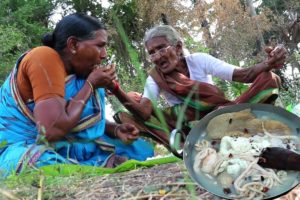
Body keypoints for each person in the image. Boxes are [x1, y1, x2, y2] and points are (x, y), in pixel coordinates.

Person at [0, 13, 154, 178]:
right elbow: (50, 131)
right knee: (40, 163)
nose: (104, 54)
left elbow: (74, 118)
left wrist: (114, 130)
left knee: (141, 150)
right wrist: (90, 84)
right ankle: (102, 165)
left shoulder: (80, 72)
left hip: (63, 144)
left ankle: (92, 165)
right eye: (99, 46)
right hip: (23, 145)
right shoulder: (43, 57)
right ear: (73, 45)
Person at [112, 25, 287, 152]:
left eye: (161, 49)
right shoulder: (155, 78)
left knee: (269, 79)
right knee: (137, 110)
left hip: (223, 113)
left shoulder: (199, 60)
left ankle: (225, 130)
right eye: (151, 53)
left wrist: (268, 63)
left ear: (178, 47)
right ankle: (193, 143)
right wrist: (115, 88)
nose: (157, 57)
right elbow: (144, 111)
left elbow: (243, 75)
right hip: (192, 128)